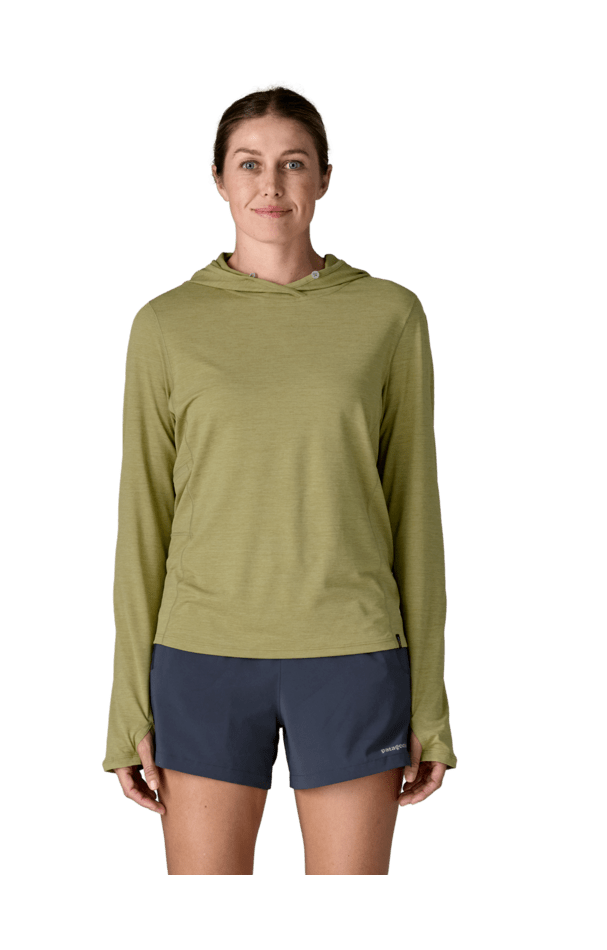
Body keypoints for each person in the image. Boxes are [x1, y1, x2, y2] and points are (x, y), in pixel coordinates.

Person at [101, 81, 458, 875]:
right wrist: (127, 704)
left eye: (293, 163)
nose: (271, 184)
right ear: (218, 179)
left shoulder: (389, 314)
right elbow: (142, 522)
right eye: (249, 163)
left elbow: (416, 513)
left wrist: (430, 703)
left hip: (353, 655)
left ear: (324, 178)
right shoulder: (165, 323)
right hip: (201, 656)